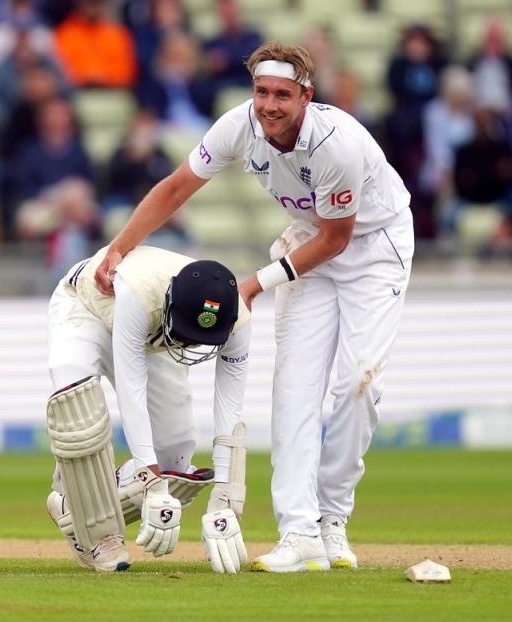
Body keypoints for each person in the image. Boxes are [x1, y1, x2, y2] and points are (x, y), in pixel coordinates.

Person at [93, 41, 414, 572]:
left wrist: (254, 284)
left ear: (306, 96)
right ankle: (299, 533)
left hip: (374, 249)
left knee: (360, 384)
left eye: (282, 95)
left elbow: (338, 239)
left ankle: (332, 519)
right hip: (308, 243)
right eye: (261, 92)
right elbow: (176, 189)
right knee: (294, 391)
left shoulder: (337, 144)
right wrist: (119, 247)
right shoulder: (239, 125)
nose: (269, 105)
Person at [45, 246, 251, 573]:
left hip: (159, 335)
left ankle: (73, 504)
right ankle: (98, 533)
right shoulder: (138, 296)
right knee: (78, 409)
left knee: (176, 467)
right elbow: (131, 389)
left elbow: (229, 409)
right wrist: (149, 482)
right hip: (87, 308)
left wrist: (224, 498)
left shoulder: (237, 319)